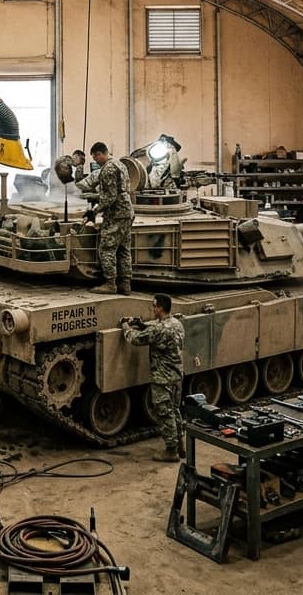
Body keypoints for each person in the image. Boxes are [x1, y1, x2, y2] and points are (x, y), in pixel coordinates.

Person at [122, 294, 185, 462]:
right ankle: (180, 444)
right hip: (176, 376)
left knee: (164, 412)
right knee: (174, 410)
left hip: (162, 378)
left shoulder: (159, 329)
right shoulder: (176, 324)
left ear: (161, 308)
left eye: (154, 306)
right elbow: (156, 330)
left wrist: (126, 326)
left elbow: (135, 339)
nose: (153, 309)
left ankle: (171, 451)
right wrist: (141, 324)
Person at [87, 141, 134, 294]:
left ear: (100, 154)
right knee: (124, 249)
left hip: (116, 214)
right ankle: (125, 284)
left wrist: (94, 211)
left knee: (107, 248)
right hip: (127, 211)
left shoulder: (108, 169)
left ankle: (110, 284)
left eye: (95, 158)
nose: (96, 161)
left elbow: (110, 197)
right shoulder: (120, 164)